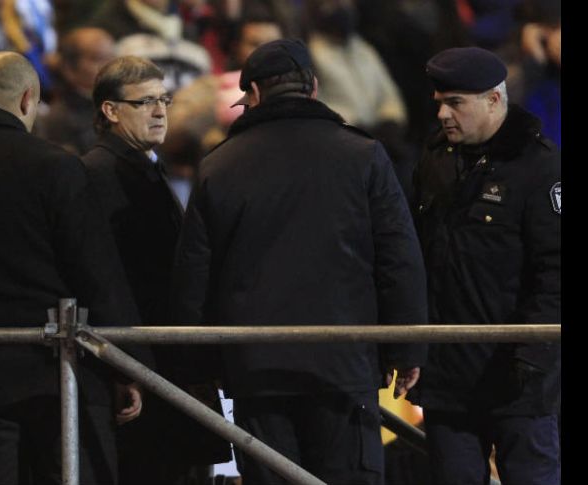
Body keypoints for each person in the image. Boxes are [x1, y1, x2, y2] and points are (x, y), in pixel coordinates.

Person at [171, 39, 428, 485]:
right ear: (313, 87)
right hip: (344, 367)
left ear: (252, 96)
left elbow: (194, 276)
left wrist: (197, 371)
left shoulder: (219, 167)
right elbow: (399, 258)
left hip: (257, 371)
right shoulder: (363, 155)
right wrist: (406, 349)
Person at [0, 51, 144, 485]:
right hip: (59, 375)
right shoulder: (55, 167)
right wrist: (126, 364)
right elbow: (95, 272)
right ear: (27, 101)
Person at [406, 46, 561, 485]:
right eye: (439, 101)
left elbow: (555, 273)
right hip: (448, 377)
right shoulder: (436, 158)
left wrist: (532, 357)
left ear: (494, 99)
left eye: (455, 102)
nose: (442, 114)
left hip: (517, 378)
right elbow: (418, 256)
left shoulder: (541, 167)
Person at [82, 55, 231, 485]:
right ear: (110, 111)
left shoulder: (140, 166)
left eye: (163, 99)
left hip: (160, 360)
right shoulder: (98, 172)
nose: (161, 110)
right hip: (141, 361)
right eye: (145, 102)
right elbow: (106, 278)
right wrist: (127, 368)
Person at [34, 27, 115, 155]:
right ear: (69, 68)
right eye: (97, 58)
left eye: (112, 57)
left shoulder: (123, 105)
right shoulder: (58, 120)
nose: (110, 66)